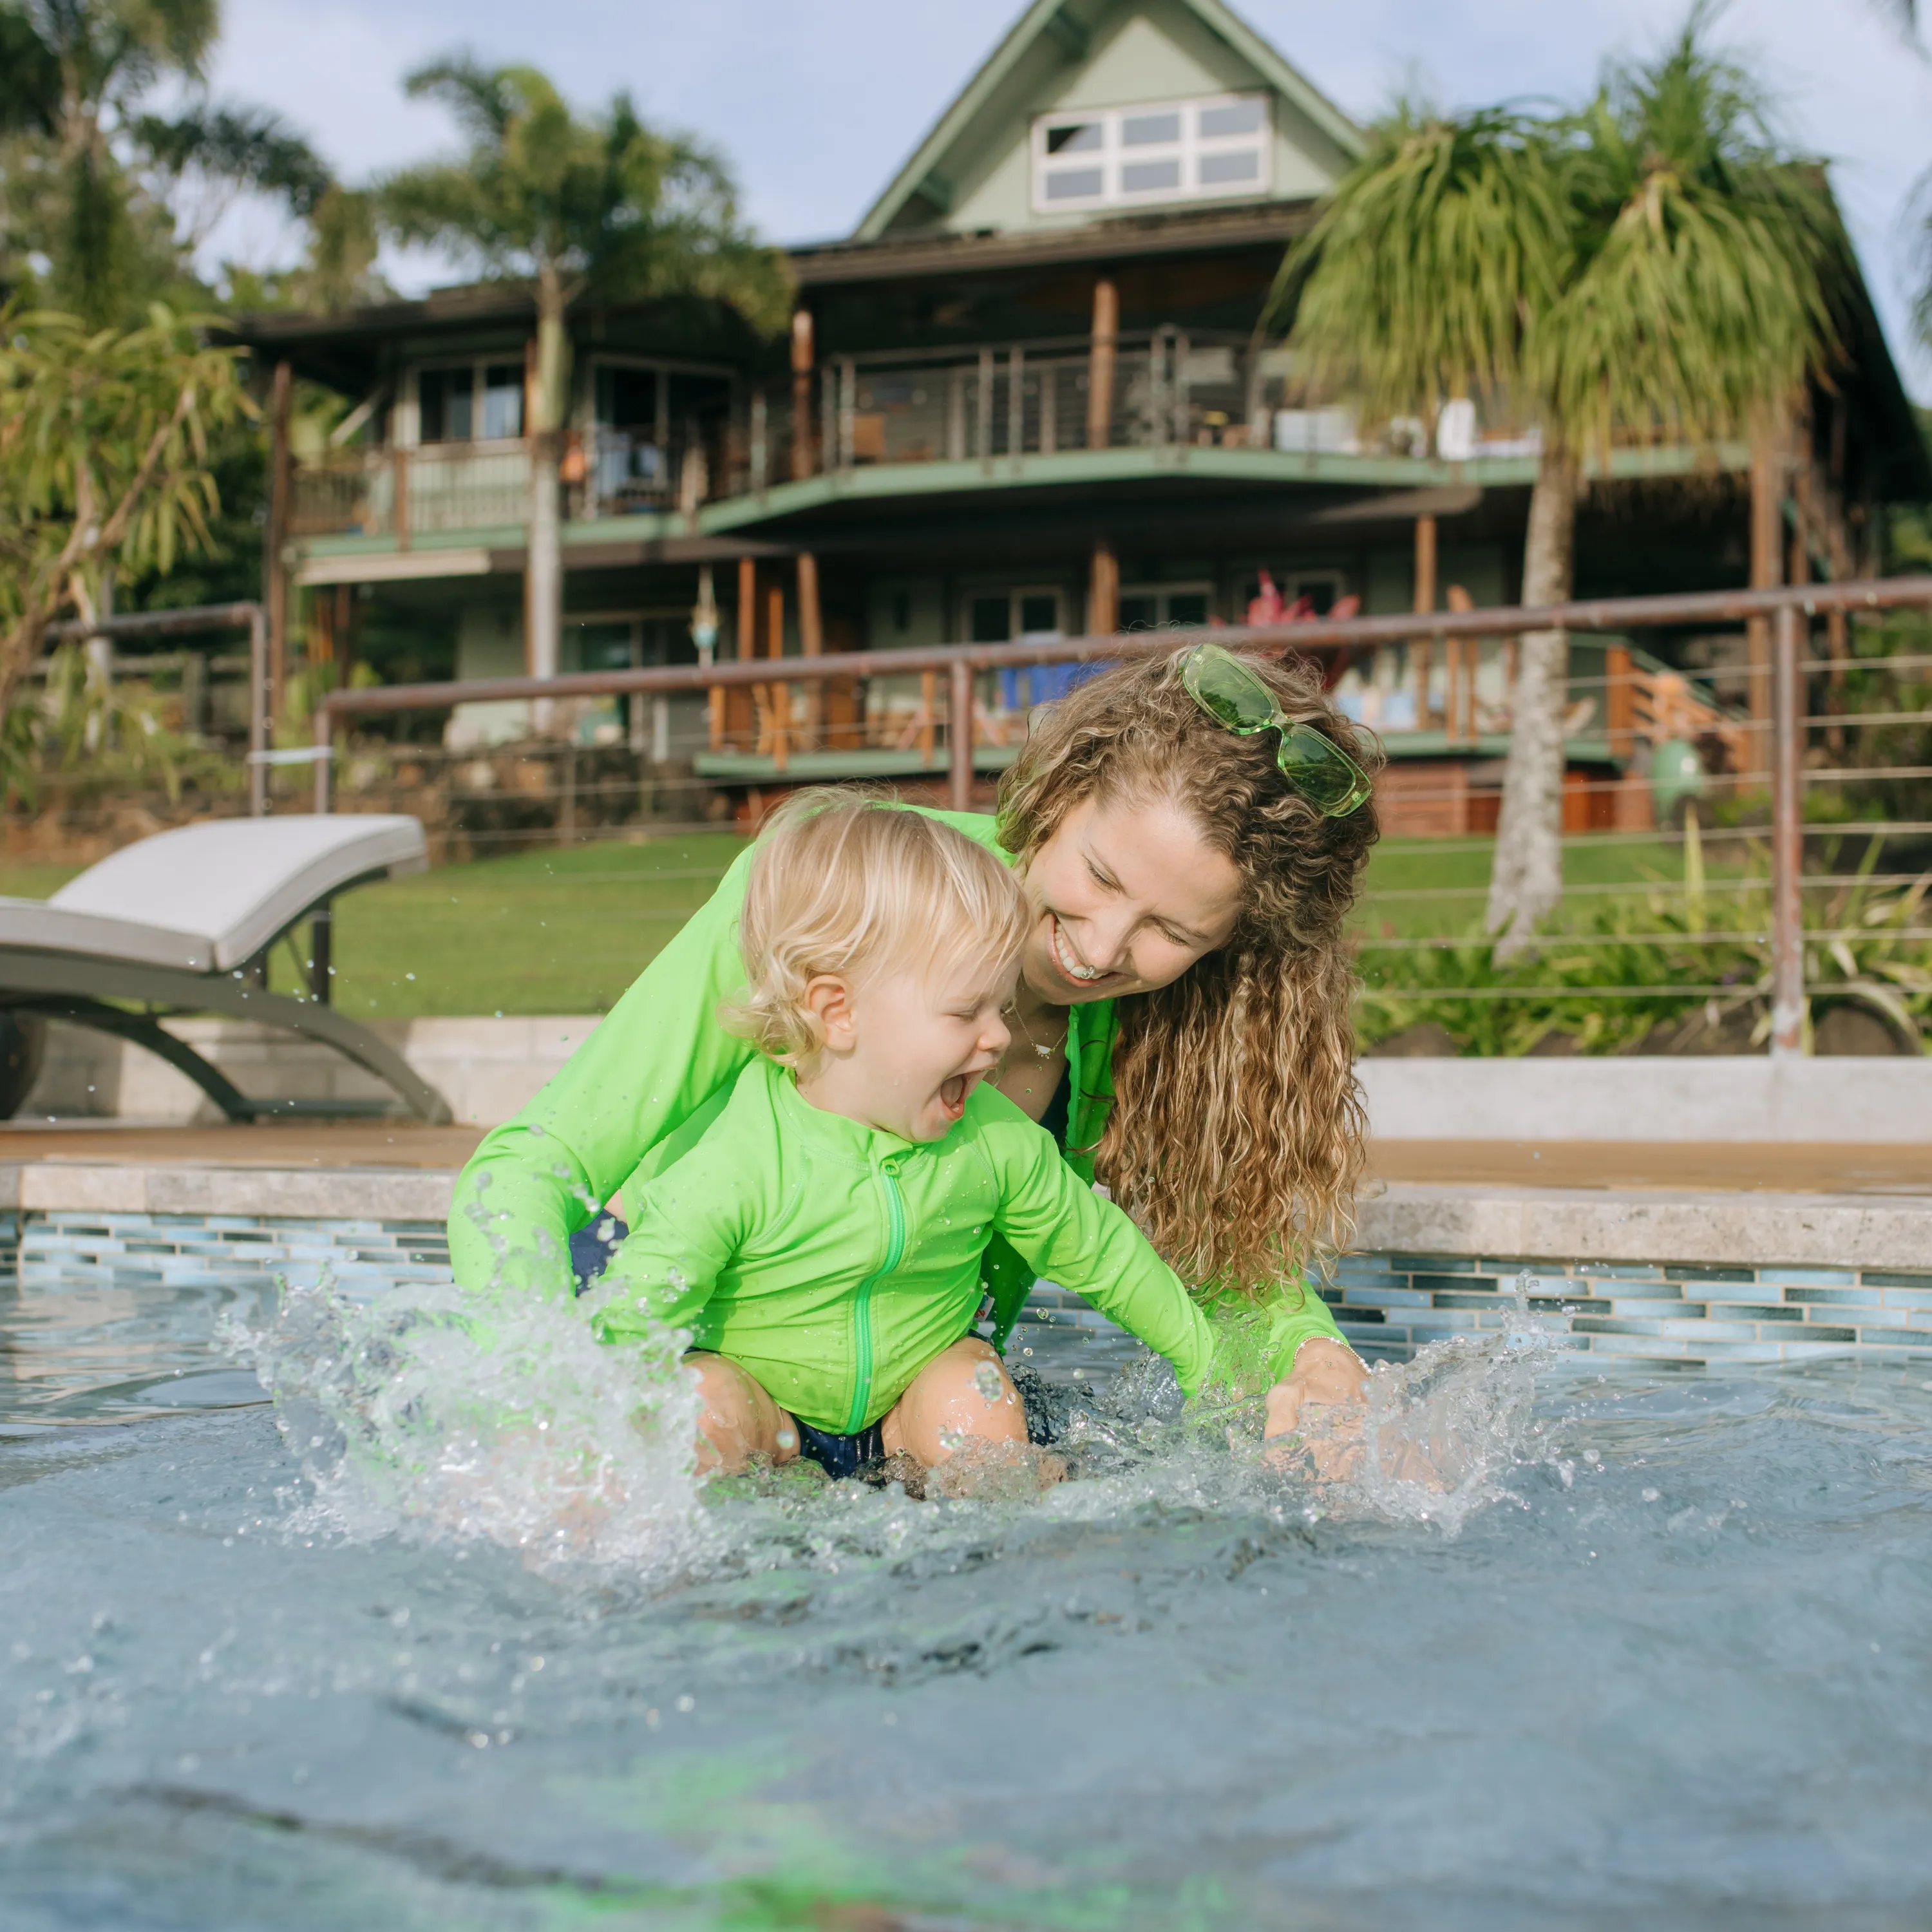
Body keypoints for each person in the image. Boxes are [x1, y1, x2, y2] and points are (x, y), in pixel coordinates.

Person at [450, 641, 1381, 1443]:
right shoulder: (839, 894)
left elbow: (1222, 1275)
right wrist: (544, 1396)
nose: (1100, 951)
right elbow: (534, 1166)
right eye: (1099, 876)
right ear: (1059, 794)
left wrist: (1318, 1359)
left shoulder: (1165, 1020)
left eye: (1171, 935)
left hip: (901, 1389)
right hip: (685, 1333)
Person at [589, 793, 1215, 1477]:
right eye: (966, 1010)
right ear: (840, 1011)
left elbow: (1103, 1255)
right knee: (699, 1406)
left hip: (905, 1409)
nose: (1000, 1036)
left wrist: (1207, 1364)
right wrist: (584, 1439)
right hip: (765, 1410)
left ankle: (1000, 1506)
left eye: (999, 1004)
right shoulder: (737, 1164)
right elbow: (634, 1319)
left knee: (974, 1395)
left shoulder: (994, 1145)